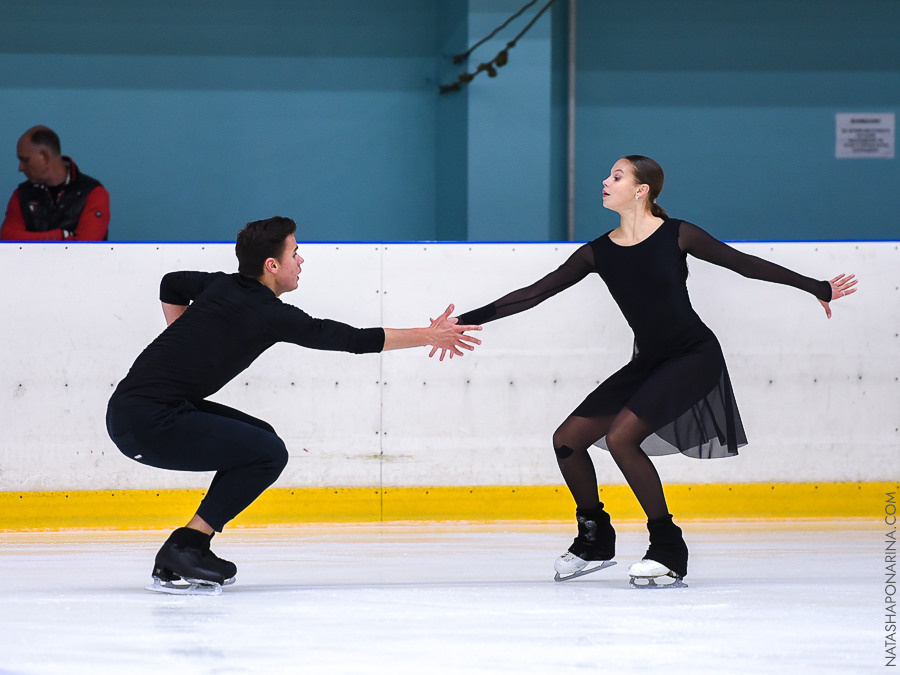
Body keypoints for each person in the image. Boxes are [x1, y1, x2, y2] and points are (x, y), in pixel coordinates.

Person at [448, 155, 857, 586]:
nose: (605, 181)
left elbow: (744, 264)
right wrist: (460, 322)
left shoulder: (678, 234)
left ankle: (667, 546)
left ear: (642, 190)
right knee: (567, 441)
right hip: (648, 362)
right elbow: (534, 293)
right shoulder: (597, 252)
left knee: (621, 438)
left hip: (693, 356)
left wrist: (818, 287)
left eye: (617, 176)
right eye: (608, 175)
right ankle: (594, 538)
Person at [106, 216, 481, 594]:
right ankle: (185, 546)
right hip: (148, 421)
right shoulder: (268, 313)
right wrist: (429, 335)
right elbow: (353, 339)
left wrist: (183, 336)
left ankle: (189, 548)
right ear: (272, 265)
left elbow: (172, 283)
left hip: (140, 410)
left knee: (260, 438)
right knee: (267, 452)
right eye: (295, 253)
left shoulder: (220, 285)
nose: (301, 260)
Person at [0, 125, 110, 241]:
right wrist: (60, 235)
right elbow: (8, 238)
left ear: (45, 156)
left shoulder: (93, 193)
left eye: (25, 160)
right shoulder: (21, 194)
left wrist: (33, 240)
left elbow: (86, 244)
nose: (20, 168)